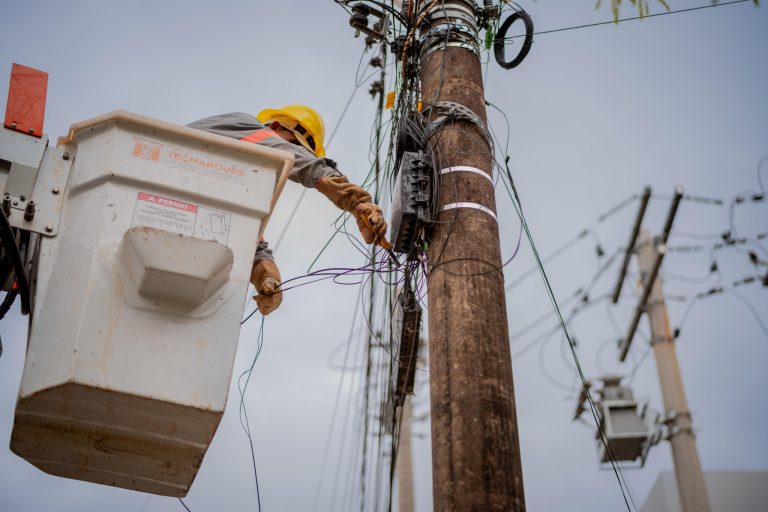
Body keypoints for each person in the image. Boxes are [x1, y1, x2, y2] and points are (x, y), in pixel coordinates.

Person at [188, 105, 387, 315]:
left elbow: (246, 231)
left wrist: (266, 276)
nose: (295, 153)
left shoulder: (233, 180)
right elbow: (288, 155)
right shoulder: (242, 123)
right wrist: (355, 201)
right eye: (295, 144)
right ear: (275, 126)